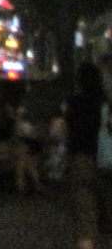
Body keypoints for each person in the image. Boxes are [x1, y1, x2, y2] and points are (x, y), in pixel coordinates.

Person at [64, 62, 109, 249]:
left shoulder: (73, 102)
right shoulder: (105, 103)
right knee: (107, 205)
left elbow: (67, 130)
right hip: (105, 158)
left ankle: (87, 242)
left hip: (81, 157)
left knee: (84, 206)